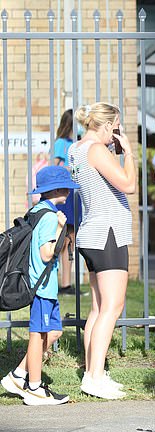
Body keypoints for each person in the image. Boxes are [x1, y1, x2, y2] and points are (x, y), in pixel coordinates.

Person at [69, 102, 136, 400]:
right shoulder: (97, 150)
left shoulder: (76, 149)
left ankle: (92, 372)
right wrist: (129, 152)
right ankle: (94, 376)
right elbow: (129, 184)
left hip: (91, 231)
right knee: (112, 306)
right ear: (107, 125)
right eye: (116, 127)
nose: (116, 134)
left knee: (98, 308)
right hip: (108, 231)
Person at [0, 166, 78, 405]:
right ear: (56, 189)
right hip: (41, 287)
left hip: (46, 287)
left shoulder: (38, 210)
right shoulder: (48, 217)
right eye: (66, 186)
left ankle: (17, 375)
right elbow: (46, 254)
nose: (69, 191)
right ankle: (34, 388)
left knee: (54, 332)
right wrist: (58, 227)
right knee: (38, 336)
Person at [51, 109, 80, 295]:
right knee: (64, 238)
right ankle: (64, 283)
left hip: (74, 193)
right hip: (65, 195)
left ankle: (67, 283)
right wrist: (69, 168)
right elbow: (55, 167)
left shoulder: (76, 142)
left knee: (72, 238)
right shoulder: (62, 142)